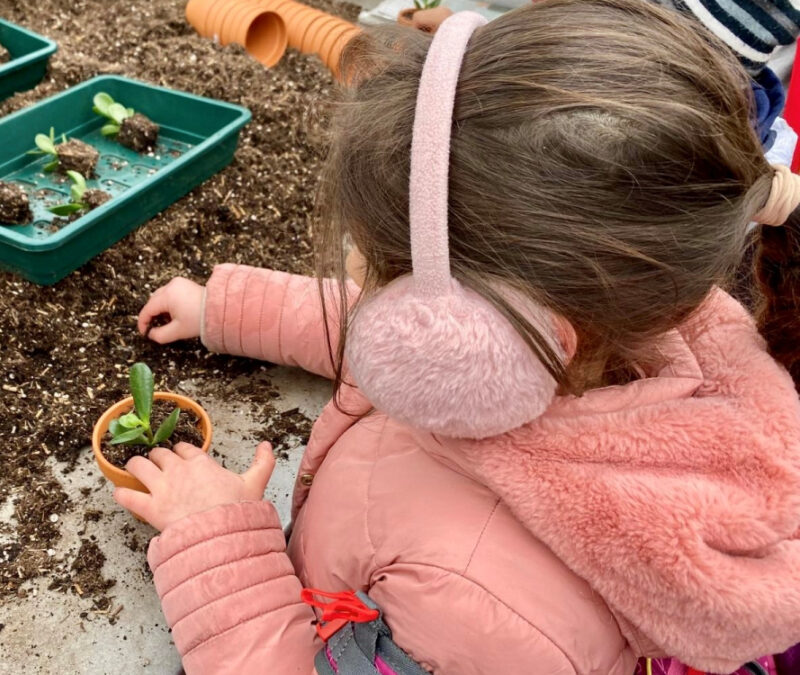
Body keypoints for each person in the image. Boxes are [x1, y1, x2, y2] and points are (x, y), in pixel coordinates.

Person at [116, 1, 800, 673]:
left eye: (385, 267)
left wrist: (216, 542)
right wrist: (226, 309)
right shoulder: (633, 306)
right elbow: (372, 334)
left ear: (472, 338)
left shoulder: (485, 617)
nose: (358, 271)